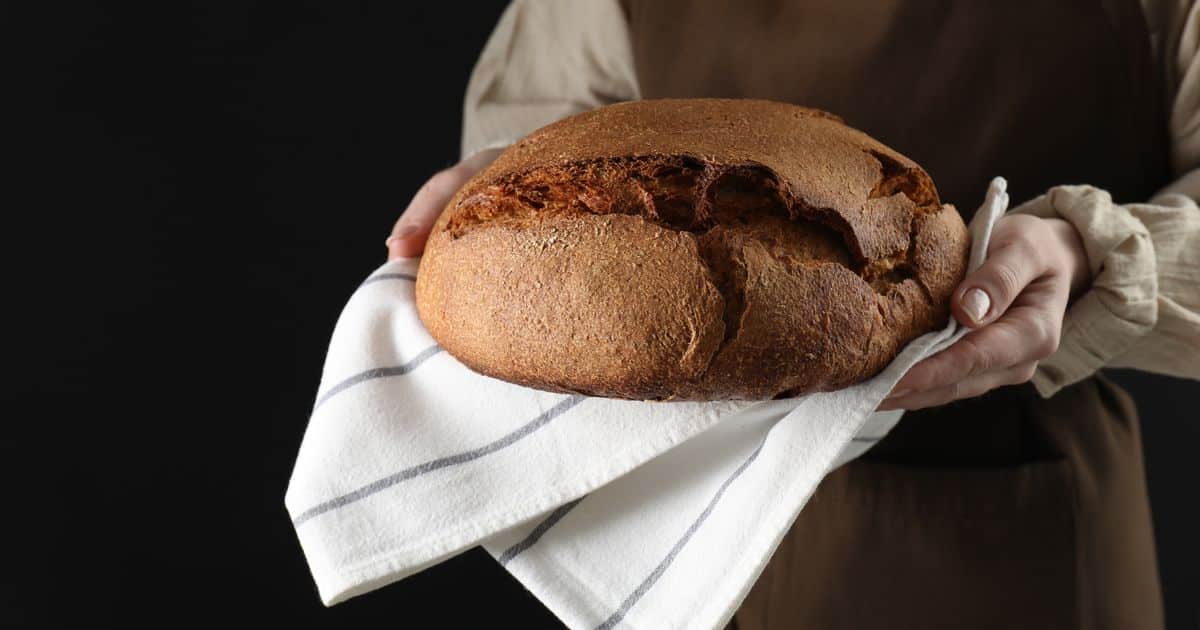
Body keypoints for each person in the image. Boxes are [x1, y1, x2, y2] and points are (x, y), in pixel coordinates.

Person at [386, 2, 1200, 628]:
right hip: (666, 543)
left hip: (1006, 550)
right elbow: (537, 133)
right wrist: (499, 182)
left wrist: (1098, 254)